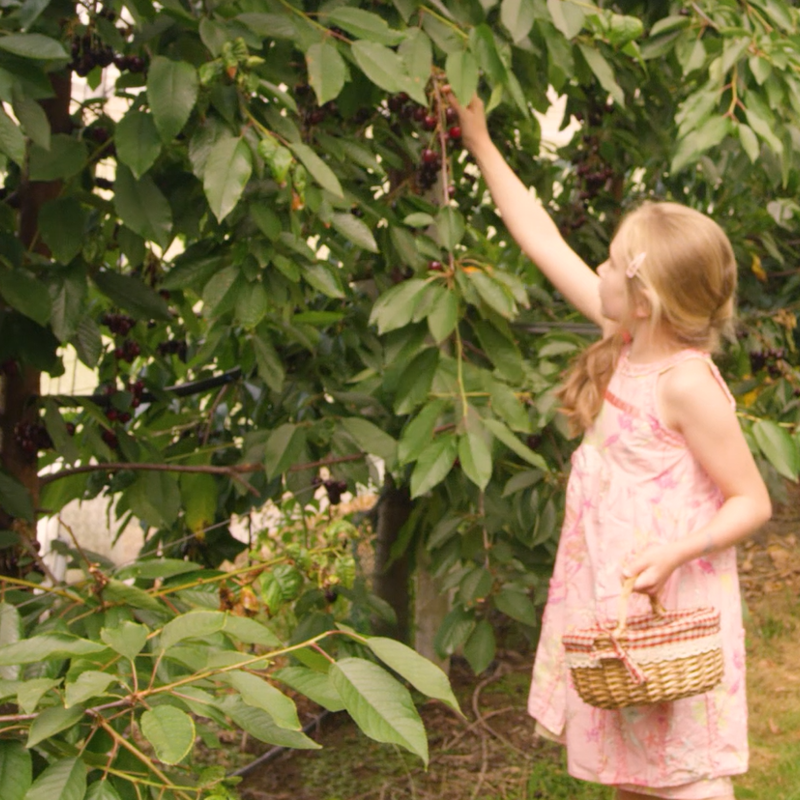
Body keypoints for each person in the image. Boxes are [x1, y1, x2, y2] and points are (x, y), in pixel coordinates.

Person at [444, 89, 773, 800]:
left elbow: (752, 501)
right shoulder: (626, 339)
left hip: (668, 597)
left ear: (645, 299)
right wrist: (479, 141)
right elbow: (539, 237)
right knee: (635, 767)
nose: (596, 269)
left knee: (684, 772)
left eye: (611, 263)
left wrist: (677, 553)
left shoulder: (685, 384)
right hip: (614, 591)